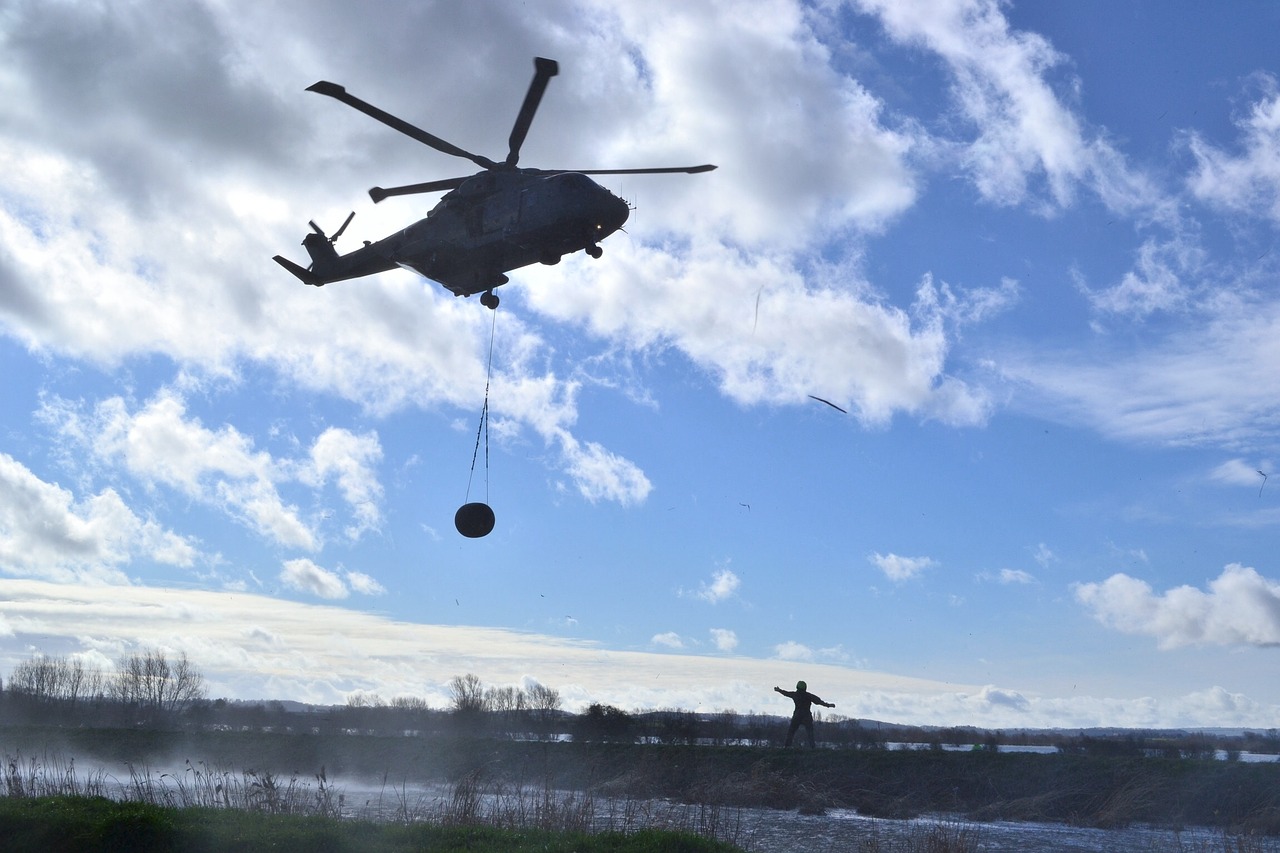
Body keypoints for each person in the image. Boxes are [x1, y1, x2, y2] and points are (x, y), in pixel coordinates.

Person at [773, 680, 835, 748]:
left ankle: (787, 747)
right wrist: (828, 705)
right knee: (810, 733)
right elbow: (818, 701)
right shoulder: (808, 695)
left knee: (791, 732)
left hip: (797, 715)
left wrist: (779, 690)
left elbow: (786, 693)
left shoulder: (795, 695)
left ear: (797, 687)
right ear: (805, 688)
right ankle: (812, 747)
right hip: (807, 716)